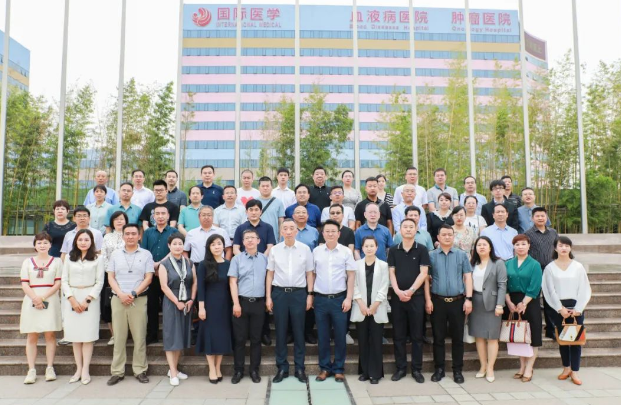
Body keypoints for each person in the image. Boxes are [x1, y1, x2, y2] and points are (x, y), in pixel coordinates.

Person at [266, 219, 315, 383]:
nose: (288, 231)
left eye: (291, 228)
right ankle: (282, 367)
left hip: (299, 294)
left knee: (299, 331)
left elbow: (309, 273)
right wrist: (268, 297)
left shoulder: (305, 249)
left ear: (296, 231)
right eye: (285, 228)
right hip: (279, 293)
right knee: (280, 331)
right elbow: (270, 274)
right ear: (281, 232)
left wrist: (310, 294)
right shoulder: (274, 250)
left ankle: (300, 368)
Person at [106, 223, 154, 386]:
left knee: (139, 336)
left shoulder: (146, 254)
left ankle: (140, 370)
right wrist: (121, 294)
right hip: (118, 299)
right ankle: (117, 371)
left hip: (138, 299)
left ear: (139, 236)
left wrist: (133, 294)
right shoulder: (115, 254)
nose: (130, 236)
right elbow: (110, 277)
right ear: (123, 236)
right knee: (119, 337)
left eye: (134, 234)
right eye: (127, 234)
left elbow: (148, 278)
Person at [542, 236, 592, 386]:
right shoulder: (550, 268)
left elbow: (584, 288)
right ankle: (566, 368)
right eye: (560, 245)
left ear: (570, 248)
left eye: (566, 245)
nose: (563, 248)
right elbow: (549, 290)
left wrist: (578, 309)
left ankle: (575, 371)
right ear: (555, 248)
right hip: (559, 307)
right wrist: (559, 308)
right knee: (563, 340)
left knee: (576, 340)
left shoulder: (578, 267)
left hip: (576, 306)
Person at [427, 225, 473, 384]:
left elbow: (468, 277)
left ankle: (457, 370)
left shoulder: (461, 255)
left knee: (457, 338)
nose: (447, 237)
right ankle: (439, 369)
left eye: (450, 235)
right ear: (438, 237)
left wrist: (469, 299)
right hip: (437, 301)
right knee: (438, 337)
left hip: (457, 302)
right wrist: (428, 299)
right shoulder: (431, 255)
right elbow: (426, 278)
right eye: (444, 235)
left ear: (454, 237)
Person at [313, 219, 356, 383]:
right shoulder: (316, 251)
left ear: (339, 233)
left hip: (340, 299)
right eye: (327, 231)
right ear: (323, 234)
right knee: (323, 336)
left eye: (333, 231)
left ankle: (338, 369)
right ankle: (324, 368)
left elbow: (351, 275)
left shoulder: (346, 252)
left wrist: (349, 298)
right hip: (321, 299)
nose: (330, 234)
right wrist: (311, 295)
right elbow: (313, 274)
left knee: (340, 335)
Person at [388, 219, 431, 383]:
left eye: (411, 227)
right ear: (400, 230)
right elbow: (391, 272)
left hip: (417, 297)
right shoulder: (393, 250)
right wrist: (398, 291)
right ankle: (400, 368)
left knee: (417, 335)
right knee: (398, 335)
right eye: (405, 227)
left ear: (416, 229)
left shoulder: (422, 249)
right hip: (398, 298)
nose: (408, 229)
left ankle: (416, 369)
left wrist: (411, 291)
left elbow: (424, 273)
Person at [61, 229, 105, 385]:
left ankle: (86, 369)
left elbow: (100, 281)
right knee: (75, 336)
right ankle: (78, 369)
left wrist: (88, 299)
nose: (83, 242)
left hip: (90, 298)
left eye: (86, 240)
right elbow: (64, 280)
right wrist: (71, 299)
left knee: (87, 336)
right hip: (71, 297)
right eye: (80, 240)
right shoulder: (69, 258)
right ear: (75, 241)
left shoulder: (98, 258)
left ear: (92, 241)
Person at [20, 233, 63, 384]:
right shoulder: (27, 262)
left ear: (50, 245)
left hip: (50, 298)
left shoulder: (57, 262)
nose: (42, 245)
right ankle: (31, 370)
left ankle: (49, 368)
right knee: (32, 335)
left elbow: (58, 283)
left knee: (50, 334)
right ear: (35, 245)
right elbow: (24, 283)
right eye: (39, 243)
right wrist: (35, 298)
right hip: (31, 299)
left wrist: (43, 297)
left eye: (45, 242)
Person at [229, 229, 269, 384]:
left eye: (253, 237)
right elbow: (233, 282)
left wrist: (268, 299)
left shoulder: (265, 259)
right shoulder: (237, 259)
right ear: (243, 242)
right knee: (239, 339)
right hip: (242, 303)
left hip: (259, 303)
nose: (250, 240)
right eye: (247, 238)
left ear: (258, 241)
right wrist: (236, 303)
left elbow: (268, 279)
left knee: (256, 339)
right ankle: (238, 370)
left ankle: (254, 370)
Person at [504, 234, 542, 383]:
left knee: (532, 336)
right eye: (517, 244)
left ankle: (529, 367)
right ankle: (521, 366)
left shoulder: (535, 264)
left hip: (530, 301)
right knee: (519, 335)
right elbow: (503, 284)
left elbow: (535, 286)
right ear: (513, 246)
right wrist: (508, 302)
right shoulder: (508, 263)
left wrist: (524, 303)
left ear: (529, 246)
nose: (520, 247)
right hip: (512, 302)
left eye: (523, 244)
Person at [159, 233, 196, 386]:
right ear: (169, 246)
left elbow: (194, 282)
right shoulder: (164, 264)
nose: (178, 246)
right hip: (171, 302)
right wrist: (177, 302)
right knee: (171, 336)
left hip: (186, 301)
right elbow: (164, 286)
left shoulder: (189, 262)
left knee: (180, 335)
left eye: (180, 243)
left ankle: (174, 368)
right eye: (174, 244)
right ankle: (173, 372)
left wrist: (191, 299)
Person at [351, 236, 389, 384]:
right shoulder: (356, 265)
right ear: (362, 248)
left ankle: (375, 374)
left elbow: (384, 287)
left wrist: (374, 305)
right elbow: (353, 285)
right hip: (360, 308)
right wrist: (361, 304)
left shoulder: (383, 265)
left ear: (377, 247)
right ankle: (365, 372)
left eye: (372, 246)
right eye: (366, 246)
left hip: (377, 308)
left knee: (376, 341)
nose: (369, 248)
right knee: (363, 341)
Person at [469, 236, 507, 383]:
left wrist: (500, 304)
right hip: (475, 302)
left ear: (490, 247)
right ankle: (483, 366)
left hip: (492, 304)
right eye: (479, 245)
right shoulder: (472, 263)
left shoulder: (498, 263)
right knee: (479, 336)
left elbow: (502, 285)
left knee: (492, 337)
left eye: (485, 244)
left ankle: (490, 368)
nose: (482, 247)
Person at [196, 234, 233, 384]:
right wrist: (201, 308)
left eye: (219, 243)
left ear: (224, 246)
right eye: (213, 244)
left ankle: (218, 367)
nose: (217, 247)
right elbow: (200, 288)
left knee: (221, 336)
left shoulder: (228, 264)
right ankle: (211, 368)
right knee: (210, 336)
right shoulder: (203, 264)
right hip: (209, 305)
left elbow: (231, 286)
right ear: (209, 248)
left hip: (225, 305)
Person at [141, 206, 178, 345]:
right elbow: (144, 252)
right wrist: (153, 266)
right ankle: (152, 334)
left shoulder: (174, 232)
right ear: (153, 217)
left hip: (169, 273)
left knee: (169, 306)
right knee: (151, 306)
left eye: (163, 213)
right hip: (151, 274)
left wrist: (159, 264)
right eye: (157, 214)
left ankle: (171, 335)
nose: (160, 216)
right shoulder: (148, 232)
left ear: (168, 216)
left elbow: (175, 250)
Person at [525, 207, 559, 338]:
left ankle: (551, 329)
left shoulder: (553, 232)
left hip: (550, 270)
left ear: (546, 217)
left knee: (550, 299)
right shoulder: (528, 234)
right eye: (537, 216)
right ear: (532, 218)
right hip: (535, 271)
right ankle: (533, 329)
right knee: (533, 300)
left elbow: (557, 249)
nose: (540, 218)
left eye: (542, 216)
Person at [101, 211, 129, 346]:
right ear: (112, 222)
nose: (119, 221)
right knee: (109, 306)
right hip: (109, 276)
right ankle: (114, 335)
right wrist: (110, 273)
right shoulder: (107, 237)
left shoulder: (130, 235)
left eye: (122, 219)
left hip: (127, 276)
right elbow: (103, 255)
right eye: (116, 219)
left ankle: (125, 335)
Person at [257, 176, 285, 240]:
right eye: (263, 186)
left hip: (273, 237)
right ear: (259, 188)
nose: (265, 188)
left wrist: (280, 238)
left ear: (272, 187)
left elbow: (281, 222)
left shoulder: (278, 202)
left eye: (267, 186)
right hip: (257, 238)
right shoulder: (254, 202)